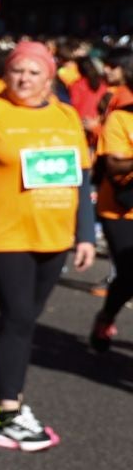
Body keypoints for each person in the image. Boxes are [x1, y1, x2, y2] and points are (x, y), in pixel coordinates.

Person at [0, 41, 95, 451]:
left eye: (34, 73)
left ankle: (15, 405)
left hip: (54, 233)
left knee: (26, 320)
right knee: (16, 317)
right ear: (5, 74)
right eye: (17, 71)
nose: (24, 79)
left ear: (50, 79)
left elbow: (81, 181)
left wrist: (85, 234)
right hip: (5, 233)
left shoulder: (66, 117)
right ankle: (7, 413)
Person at [92, 89, 133, 351]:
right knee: (130, 273)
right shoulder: (121, 118)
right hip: (120, 209)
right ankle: (106, 316)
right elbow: (115, 165)